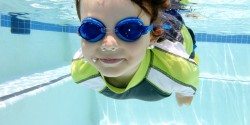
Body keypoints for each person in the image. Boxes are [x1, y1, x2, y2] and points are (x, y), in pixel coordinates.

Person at [71, 0, 199, 106]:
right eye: (90, 29)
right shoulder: (79, 69)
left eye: (130, 29)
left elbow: (188, 88)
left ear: (152, 36)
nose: (108, 45)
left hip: (174, 28)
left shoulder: (179, 71)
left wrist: (184, 93)